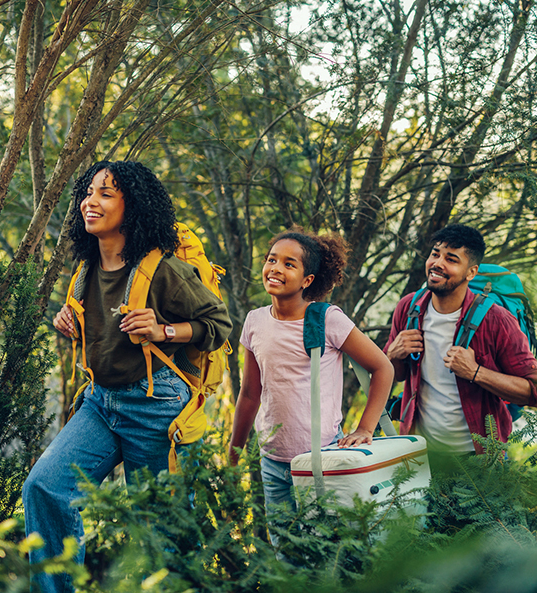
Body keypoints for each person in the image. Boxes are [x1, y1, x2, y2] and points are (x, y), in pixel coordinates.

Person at [23, 160, 232, 593]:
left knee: (160, 532)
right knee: (45, 487)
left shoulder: (164, 270)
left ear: (130, 207)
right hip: (100, 404)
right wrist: (69, 322)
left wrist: (163, 330)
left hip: (156, 408)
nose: (90, 202)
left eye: (106, 193)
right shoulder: (85, 271)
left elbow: (219, 326)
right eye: (89, 192)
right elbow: (98, 334)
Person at [227, 227, 393, 529]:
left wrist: (366, 428)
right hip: (272, 462)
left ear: (308, 280)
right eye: (271, 260)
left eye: (289, 264)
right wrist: (233, 454)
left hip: (322, 459)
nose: (276, 268)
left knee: (325, 545)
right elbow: (250, 394)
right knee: (285, 549)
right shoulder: (255, 321)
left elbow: (383, 368)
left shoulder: (327, 319)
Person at [384, 224, 537, 471]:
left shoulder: (496, 320)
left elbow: (536, 392)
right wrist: (392, 355)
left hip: (480, 459)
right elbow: (397, 376)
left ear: (471, 272)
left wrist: (475, 372)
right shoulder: (409, 308)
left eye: (451, 259)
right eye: (435, 254)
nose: (438, 263)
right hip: (420, 454)